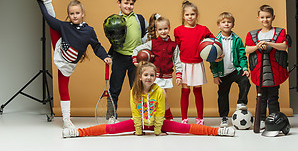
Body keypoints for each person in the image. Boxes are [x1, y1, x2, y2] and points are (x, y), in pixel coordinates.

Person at [62, 62, 235, 138]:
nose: (149, 78)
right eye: (146, 75)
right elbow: (135, 110)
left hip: (157, 123)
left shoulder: (158, 91)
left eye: (152, 75)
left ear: (155, 77)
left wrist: (158, 129)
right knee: (111, 129)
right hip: (139, 123)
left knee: (186, 128)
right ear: (140, 76)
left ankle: (219, 132)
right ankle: (77, 132)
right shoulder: (134, 91)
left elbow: (160, 111)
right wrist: (138, 129)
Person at [36, 0, 112, 129]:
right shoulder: (65, 25)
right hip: (60, 47)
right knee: (53, 24)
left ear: (83, 14)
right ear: (69, 15)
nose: (75, 16)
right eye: (71, 13)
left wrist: (105, 56)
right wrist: (39, 2)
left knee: (64, 87)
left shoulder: (89, 31)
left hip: (68, 64)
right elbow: (48, 18)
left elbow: (97, 46)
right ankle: (66, 120)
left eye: (77, 13)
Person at [245, 5, 290, 129]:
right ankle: (262, 120)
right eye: (263, 17)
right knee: (261, 97)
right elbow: (247, 49)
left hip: (274, 71)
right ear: (258, 18)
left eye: (268, 17)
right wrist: (258, 46)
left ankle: (275, 120)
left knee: (273, 97)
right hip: (259, 71)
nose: (265, 20)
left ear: (273, 17)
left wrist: (268, 43)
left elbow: (284, 46)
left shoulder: (280, 32)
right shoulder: (253, 34)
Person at [107, 0, 148, 123]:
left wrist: (144, 44)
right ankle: (111, 116)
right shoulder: (115, 20)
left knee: (136, 89)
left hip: (135, 60)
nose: (128, 6)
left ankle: (138, 116)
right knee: (114, 88)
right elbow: (112, 39)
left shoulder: (140, 19)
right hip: (119, 57)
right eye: (126, 3)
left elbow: (148, 32)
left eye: (131, 4)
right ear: (119, 3)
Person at [132, 14, 182, 120]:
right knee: (158, 96)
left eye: (165, 29)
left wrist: (179, 75)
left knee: (161, 98)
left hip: (167, 76)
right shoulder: (153, 43)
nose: (163, 31)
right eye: (160, 29)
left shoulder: (173, 45)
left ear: (169, 28)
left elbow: (177, 61)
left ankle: (161, 118)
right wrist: (135, 60)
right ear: (156, 31)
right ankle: (166, 117)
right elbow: (137, 49)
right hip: (154, 76)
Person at [174, 1, 216, 125]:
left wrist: (218, 54)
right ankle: (184, 119)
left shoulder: (203, 29)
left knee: (198, 91)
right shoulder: (178, 30)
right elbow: (176, 50)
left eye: (192, 14)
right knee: (185, 91)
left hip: (197, 64)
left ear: (197, 15)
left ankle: (200, 118)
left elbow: (214, 42)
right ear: (183, 16)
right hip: (184, 64)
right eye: (187, 14)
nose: (190, 17)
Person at [210, 12, 251, 127]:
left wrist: (244, 68)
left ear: (233, 24)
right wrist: (215, 75)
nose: (226, 24)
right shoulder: (215, 41)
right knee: (223, 95)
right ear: (219, 25)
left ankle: (241, 102)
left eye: (229, 22)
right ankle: (224, 117)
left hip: (235, 70)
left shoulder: (237, 40)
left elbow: (242, 55)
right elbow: (212, 60)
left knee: (245, 82)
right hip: (222, 73)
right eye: (223, 22)